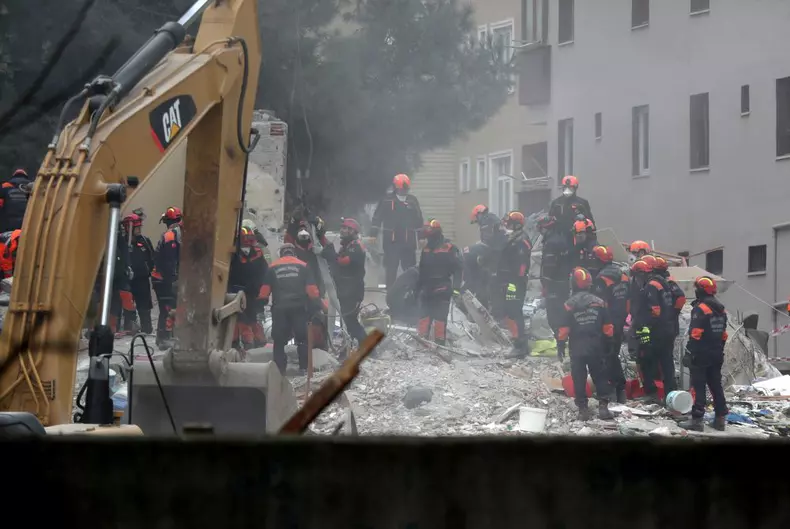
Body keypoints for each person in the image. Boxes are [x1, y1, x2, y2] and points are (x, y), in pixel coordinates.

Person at [557, 267, 615, 421]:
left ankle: (583, 409)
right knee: (600, 375)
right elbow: (608, 327)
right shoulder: (600, 302)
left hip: (577, 347)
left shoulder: (568, 304)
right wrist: (609, 342)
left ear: (574, 283)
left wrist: (560, 344)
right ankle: (603, 407)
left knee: (579, 377)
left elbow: (564, 329)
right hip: (596, 346)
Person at [258, 243, 322, 374]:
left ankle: (279, 370)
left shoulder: (272, 267)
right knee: (302, 338)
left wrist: (259, 304)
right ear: (293, 253)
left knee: (279, 340)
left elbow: (264, 292)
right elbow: (312, 291)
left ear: (281, 253)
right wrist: (317, 305)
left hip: (279, 309)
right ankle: (304, 368)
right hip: (299, 308)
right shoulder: (303, 266)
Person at [679, 276, 729, 432]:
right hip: (716, 353)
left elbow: (696, 333)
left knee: (698, 386)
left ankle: (697, 420)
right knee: (716, 386)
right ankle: (720, 420)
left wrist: (689, 352)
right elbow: (723, 335)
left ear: (700, 290)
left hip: (701, 353)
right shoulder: (721, 309)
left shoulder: (700, 309)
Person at [630, 257, 676, 404]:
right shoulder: (664, 283)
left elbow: (654, 311)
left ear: (641, 274)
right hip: (668, 329)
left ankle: (652, 393)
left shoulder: (651, 286)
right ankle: (670, 395)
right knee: (667, 364)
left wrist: (645, 330)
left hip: (655, 331)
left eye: (637, 277)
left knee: (647, 361)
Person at [370, 174, 424, 289]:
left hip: (408, 242)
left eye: (406, 188)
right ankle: (390, 291)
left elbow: (418, 219)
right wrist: (373, 234)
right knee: (391, 268)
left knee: (410, 268)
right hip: (391, 241)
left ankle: (411, 291)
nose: (404, 190)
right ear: (396, 187)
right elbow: (377, 217)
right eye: (402, 188)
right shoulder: (387, 200)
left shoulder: (412, 201)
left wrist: (421, 237)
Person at [591, 245, 630, 403]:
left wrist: (600, 324)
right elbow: (628, 302)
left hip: (608, 324)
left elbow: (601, 303)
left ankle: (610, 392)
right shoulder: (624, 275)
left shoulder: (601, 278)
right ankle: (620, 391)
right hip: (620, 322)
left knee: (605, 357)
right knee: (613, 356)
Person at [322, 217, 368, 346]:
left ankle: (367, 348)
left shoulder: (356, 246)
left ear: (354, 232)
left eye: (348, 229)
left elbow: (343, 262)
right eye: (343, 228)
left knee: (350, 320)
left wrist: (330, 255)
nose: (344, 231)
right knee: (348, 321)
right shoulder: (346, 245)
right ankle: (350, 346)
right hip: (344, 289)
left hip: (353, 290)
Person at [416, 219, 462, 346]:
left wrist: (457, 289)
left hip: (442, 286)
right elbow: (422, 271)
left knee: (440, 318)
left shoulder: (449, 248)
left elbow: (458, 270)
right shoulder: (426, 250)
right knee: (424, 316)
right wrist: (417, 288)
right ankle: (422, 344)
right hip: (427, 288)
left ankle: (440, 345)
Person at [498, 211, 533, 358]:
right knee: (509, 311)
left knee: (513, 310)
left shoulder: (521, 240)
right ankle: (517, 342)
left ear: (517, 224)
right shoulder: (513, 238)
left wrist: (514, 281)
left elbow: (521, 264)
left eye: (509, 223)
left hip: (515, 282)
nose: (506, 226)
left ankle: (520, 345)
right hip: (510, 281)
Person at [228, 226, 268, 349]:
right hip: (236, 293)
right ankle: (241, 343)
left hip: (254, 294)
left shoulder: (258, 253)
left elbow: (265, 273)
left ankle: (258, 343)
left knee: (253, 319)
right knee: (238, 320)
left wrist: (263, 293)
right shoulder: (233, 254)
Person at [151, 206, 182, 348]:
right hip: (163, 279)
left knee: (170, 307)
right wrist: (173, 280)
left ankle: (166, 336)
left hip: (164, 278)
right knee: (167, 308)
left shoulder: (174, 234)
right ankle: (163, 338)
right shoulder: (172, 236)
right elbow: (169, 261)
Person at [537, 214, 571, 337]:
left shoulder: (551, 243)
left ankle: (560, 341)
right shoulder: (561, 239)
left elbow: (549, 266)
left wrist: (545, 285)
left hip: (554, 284)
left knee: (554, 314)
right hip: (563, 282)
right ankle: (563, 338)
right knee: (562, 311)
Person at [122, 213, 156, 335]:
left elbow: (152, 258)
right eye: (137, 228)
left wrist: (152, 272)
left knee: (145, 306)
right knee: (128, 307)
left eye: (140, 228)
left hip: (142, 280)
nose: (139, 230)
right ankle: (129, 328)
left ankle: (147, 329)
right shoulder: (122, 243)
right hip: (128, 281)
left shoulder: (145, 241)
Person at [653, 256, 686, 341]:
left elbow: (681, 298)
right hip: (669, 325)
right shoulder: (667, 282)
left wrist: (673, 312)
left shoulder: (664, 283)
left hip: (663, 326)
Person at [461, 241, 494, 309]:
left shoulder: (475, 248)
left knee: (476, 285)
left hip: (472, 266)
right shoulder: (485, 250)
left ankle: (464, 301)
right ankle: (483, 304)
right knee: (478, 286)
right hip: (474, 267)